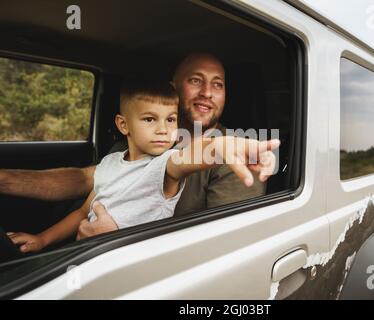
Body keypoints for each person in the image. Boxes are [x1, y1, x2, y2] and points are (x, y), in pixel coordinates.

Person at [0, 53, 274, 239]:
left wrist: (119, 238)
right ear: (173, 87)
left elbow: (224, 245)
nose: (207, 92)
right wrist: (6, 180)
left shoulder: (235, 156)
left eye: (218, 84)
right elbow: (88, 178)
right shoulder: (145, 138)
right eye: (195, 80)